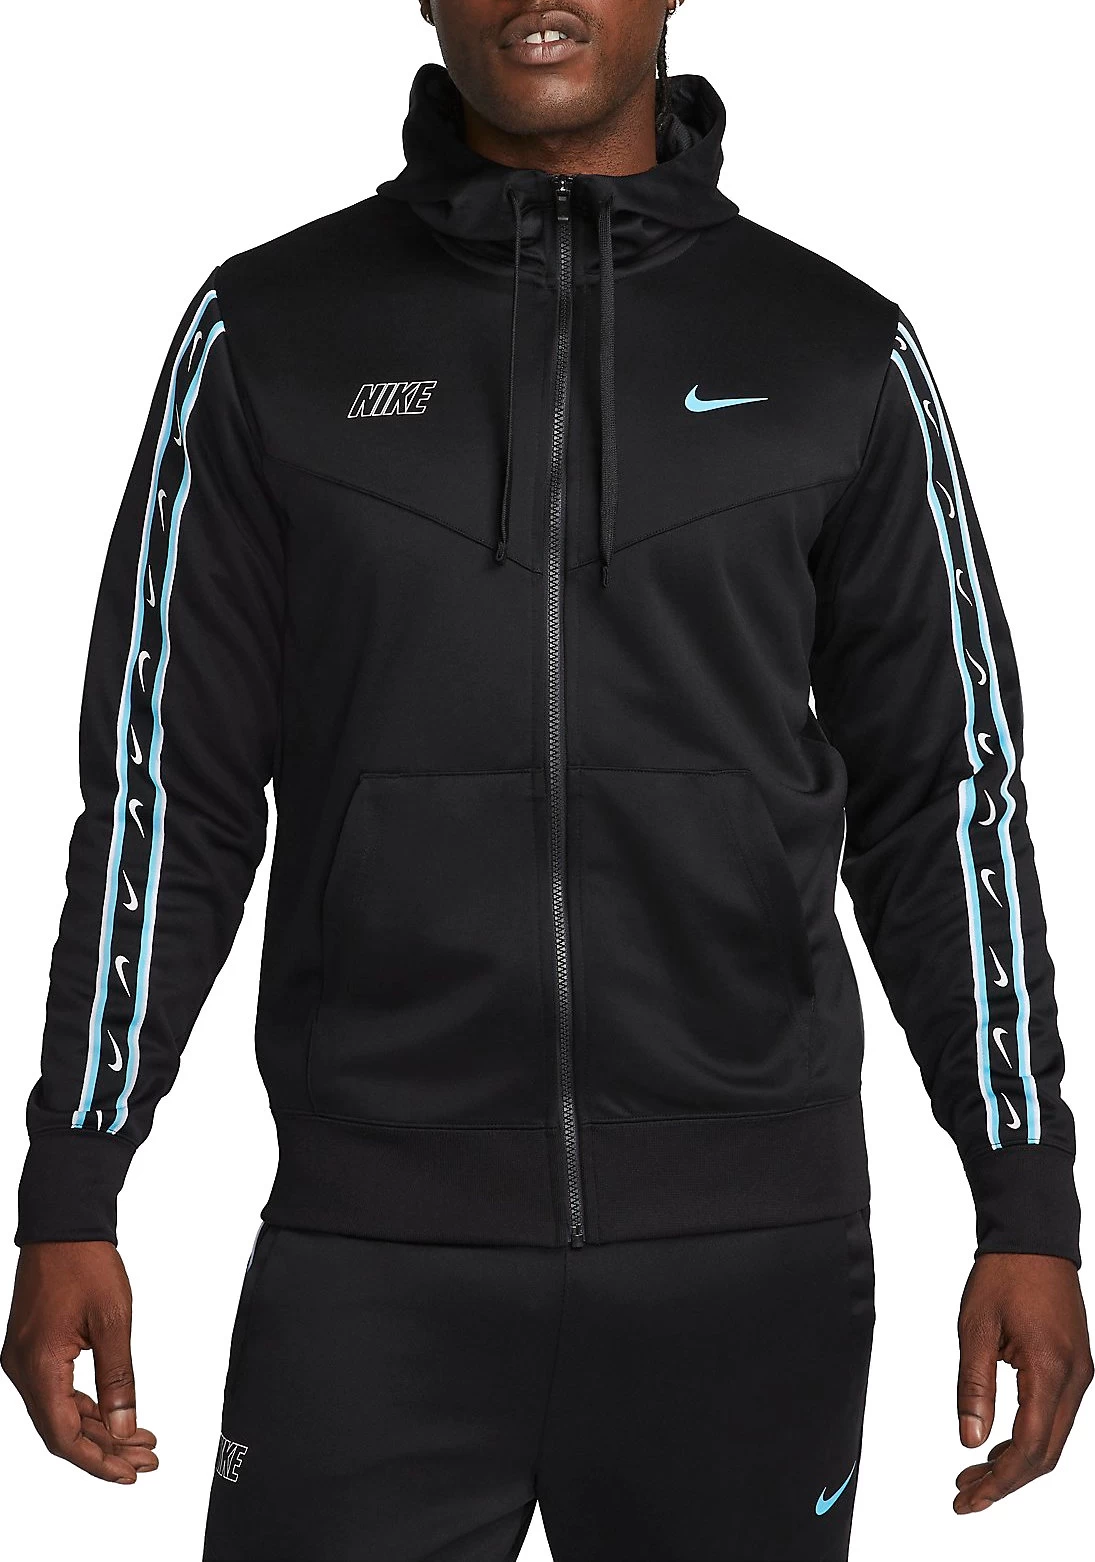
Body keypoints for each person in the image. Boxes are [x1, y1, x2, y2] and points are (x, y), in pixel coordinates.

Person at [3, 2, 1091, 1558]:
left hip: (746, 1258)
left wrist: (1022, 1197)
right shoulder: (273, 333)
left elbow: (944, 798)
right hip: (374, 1245)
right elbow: (163, 786)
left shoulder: (833, 347)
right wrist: (73, 1181)